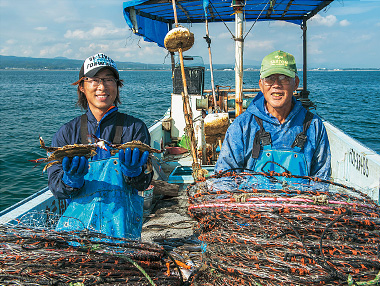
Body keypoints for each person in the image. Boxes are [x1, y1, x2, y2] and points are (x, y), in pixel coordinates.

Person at [48, 53, 152, 239]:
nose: (102, 87)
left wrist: (134, 172)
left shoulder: (135, 129)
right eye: (94, 80)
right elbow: (56, 187)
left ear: (117, 85)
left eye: (109, 79)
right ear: (81, 86)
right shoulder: (66, 133)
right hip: (76, 232)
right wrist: (70, 179)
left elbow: (145, 181)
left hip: (123, 230)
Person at [215, 50, 331, 179]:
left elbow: (321, 180)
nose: (276, 85)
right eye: (269, 79)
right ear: (261, 85)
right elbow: (224, 176)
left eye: (284, 78)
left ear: (296, 83)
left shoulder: (313, 126)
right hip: (252, 198)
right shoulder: (242, 125)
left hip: (301, 199)